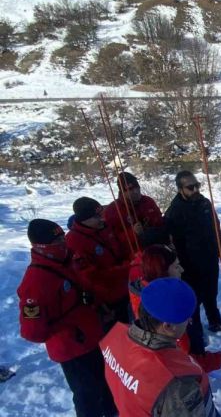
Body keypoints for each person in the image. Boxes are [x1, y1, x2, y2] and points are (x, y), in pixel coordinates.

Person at [101, 278, 221, 416]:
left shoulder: (117, 336)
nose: (190, 321)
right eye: (185, 318)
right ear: (168, 326)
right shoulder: (177, 384)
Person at [18, 219, 117, 417]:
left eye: (62, 237)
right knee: (86, 394)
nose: (63, 242)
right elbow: (33, 331)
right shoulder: (35, 281)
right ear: (42, 246)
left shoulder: (66, 261)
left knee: (105, 382)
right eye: (57, 240)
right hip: (71, 348)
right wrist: (67, 328)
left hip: (90, 336)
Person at [128, 244, 221, 373]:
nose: (182, 270)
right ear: (162, 271)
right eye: (176, 266)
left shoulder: (142, 291)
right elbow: (187, 362)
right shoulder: (167, 310)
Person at [164, 170, 221, 354]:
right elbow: (168, 241)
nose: (195, 189)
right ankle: (196, 332)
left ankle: (215, 320)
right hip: (189, 264)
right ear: (180, 189)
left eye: (197, 185)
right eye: (190, 187)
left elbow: (216, 229)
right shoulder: (174, 211)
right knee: (194, 299)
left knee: (211, 293)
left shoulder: (204, 203)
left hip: (209, 258)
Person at [66, 196, 131, 327]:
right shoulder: (74, 241)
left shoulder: (105, 227)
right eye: (96, 217)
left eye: (101, 214)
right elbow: (92, 277)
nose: (102, 219)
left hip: (124, 289)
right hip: (106, 301)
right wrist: (126, 269)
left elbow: (121, 248)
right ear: (84, 219)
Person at [103, 171, 166, 249]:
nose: (136, 192)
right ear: (122, 192)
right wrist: (132, 232)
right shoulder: (112, 211)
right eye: (130, 189)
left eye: (137, 187)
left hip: (157, 245)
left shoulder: (148, 201)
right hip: (133, 252)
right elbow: (111, 240)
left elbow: (160, 222)